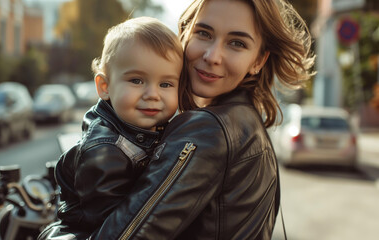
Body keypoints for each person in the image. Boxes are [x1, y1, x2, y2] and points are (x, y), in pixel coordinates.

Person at [85, 0, 316, 239]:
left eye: (237, 43)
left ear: (258, 61)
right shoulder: (247, 122)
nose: (212, 56)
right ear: (185, 33)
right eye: (204, 33)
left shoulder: (209, 130)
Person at [38, 16, 183, 239]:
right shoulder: (105, 150)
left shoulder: (152, 128)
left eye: (165, 84)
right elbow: (120, 226)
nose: (153, 94)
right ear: (104, 87)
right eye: (137, 80)